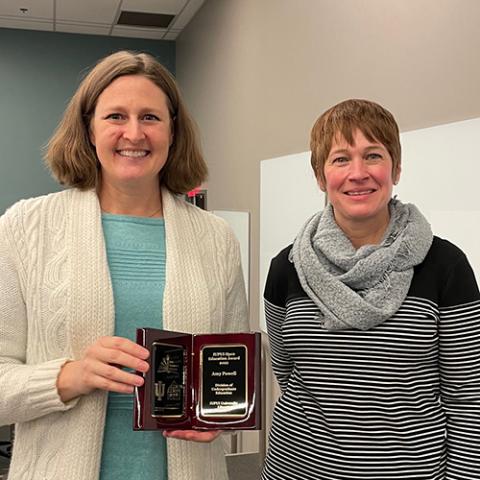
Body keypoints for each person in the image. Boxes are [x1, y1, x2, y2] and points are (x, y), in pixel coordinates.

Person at [0, 50, 248, 480]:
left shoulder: (216, 238)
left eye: (150, 117)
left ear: (173, 131)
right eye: (116, 116)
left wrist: (221, 415)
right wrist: (70, 376)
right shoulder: (25, 228)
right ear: (88, 128)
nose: (134, 133)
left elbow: (229, 371)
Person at [262, 99, 480, 479]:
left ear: (396, 168)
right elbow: (285, 371)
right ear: (320, 176)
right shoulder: (287, 268)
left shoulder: (445, 266)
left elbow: (468, 401)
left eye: (373, 155)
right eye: (340, 159)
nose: (358, 173)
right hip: (295, 468)